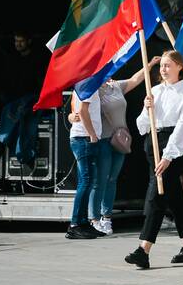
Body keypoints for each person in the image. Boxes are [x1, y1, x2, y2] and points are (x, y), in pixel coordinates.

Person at [124, 51, 183, 269]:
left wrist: (168, 155)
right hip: (153, 142)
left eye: (168, 65)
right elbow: (141, 126)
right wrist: (148, 109)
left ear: (179, 67)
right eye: (162, 66)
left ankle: (143, 250)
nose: (163, 69)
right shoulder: (154, 91)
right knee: (174, 197)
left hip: (173, 146)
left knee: (157, 196)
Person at [89, 62, 156, 236]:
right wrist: (73, 117)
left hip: (120, 140)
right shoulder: (93, 90)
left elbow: (135, 79)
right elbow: (79, 107)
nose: (108, 72)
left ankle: (107, 217)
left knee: (112, 179)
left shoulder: (116, 86)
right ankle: (94, 219)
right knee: (100, 180)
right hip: (103, 140)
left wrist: (149, 65)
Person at [0, 31, 49, 166]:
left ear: (29, 41)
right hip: (16, 99)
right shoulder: (12, 59)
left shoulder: (38, 59)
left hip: (32, 98)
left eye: (21, 41)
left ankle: (10, 144)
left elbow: (42, 82)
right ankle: (6, 141)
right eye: (16, 41)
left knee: (26, 110)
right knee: (13, 109)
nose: (18, 44)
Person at [66, 89, 102, 240]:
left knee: (86, 181)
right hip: (84, 138)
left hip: (82, 137)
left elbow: (74, 111)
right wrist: (92, 134)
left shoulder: (83, 87)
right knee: (86, 181)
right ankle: (75, 225)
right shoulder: (89, 86)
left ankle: (83, 222)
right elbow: (81, 110)